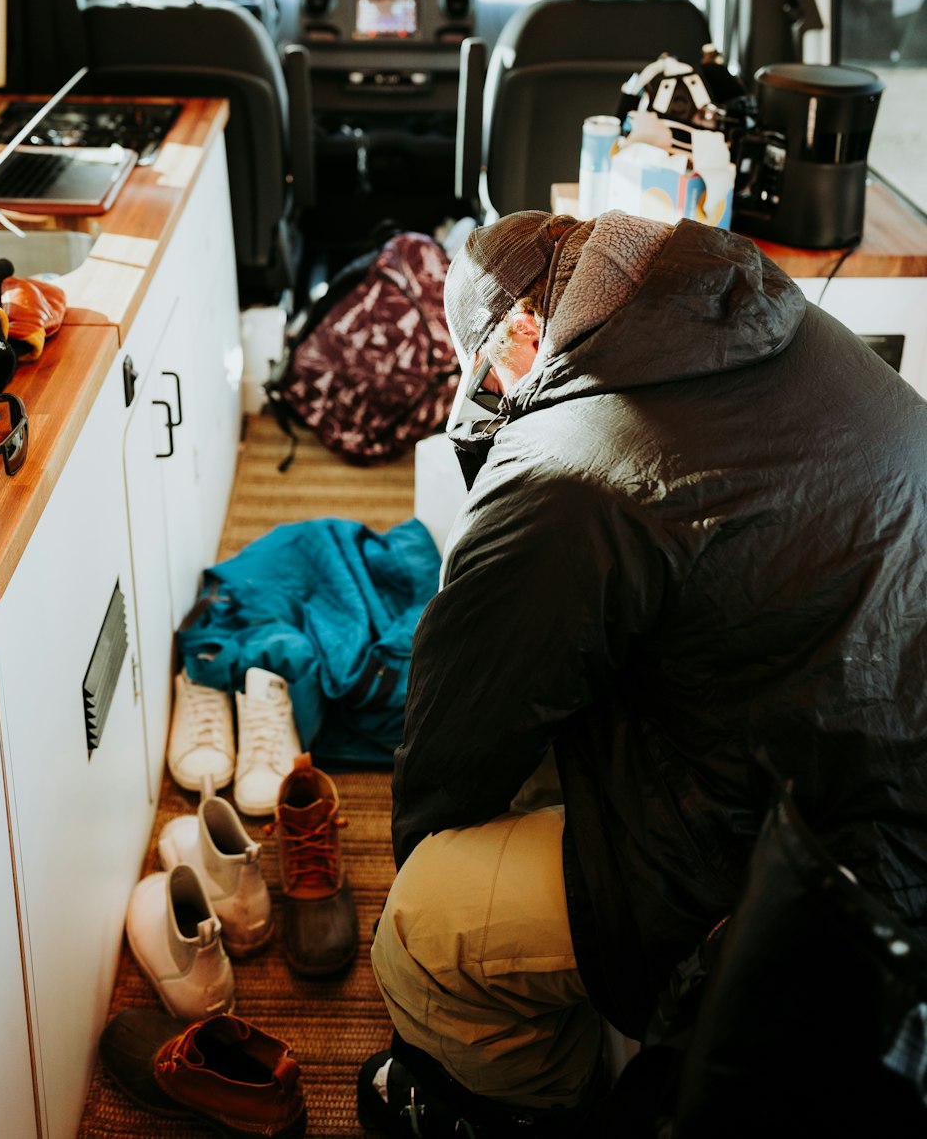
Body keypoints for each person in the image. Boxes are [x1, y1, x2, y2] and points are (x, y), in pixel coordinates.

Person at [357, 207, 927, 1138]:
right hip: (871, 759)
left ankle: (544, 1106)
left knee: (426, 924)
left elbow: (455, 750)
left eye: (486, 375)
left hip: (820, 888)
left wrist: (422, 849)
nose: (490, 401)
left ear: (528, 333)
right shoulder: (768, 316)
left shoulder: (562, 470)